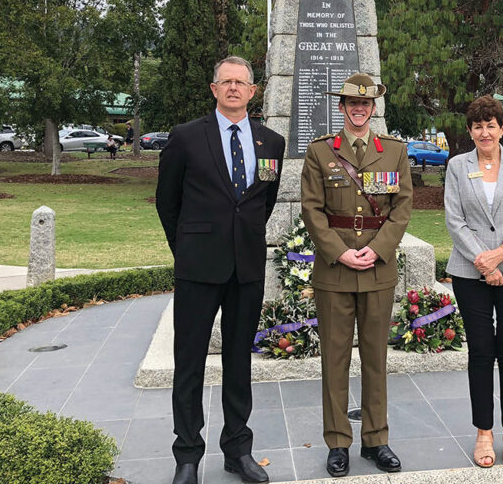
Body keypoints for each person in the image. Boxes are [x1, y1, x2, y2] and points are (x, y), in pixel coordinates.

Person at [156, 56, 285, 484]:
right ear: (214, 89)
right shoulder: (186, 137)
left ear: (253, 91)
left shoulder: (272, 143)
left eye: (241, 83)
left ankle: (237, 448)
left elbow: (261, 205)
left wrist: (239, 241)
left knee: (238, 362)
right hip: (197, 269)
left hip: (245, 268)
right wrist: (188, 248)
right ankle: (188, 455)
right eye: (225, 82)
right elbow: (167, 202)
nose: (233, 88)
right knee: (189, 362)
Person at [300, 73, 412, 477]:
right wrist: (342, 252)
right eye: (352, 103)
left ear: (374, 108)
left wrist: (377, 249)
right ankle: (337, 441)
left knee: (376, 359)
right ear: (343, 107)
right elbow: (312, 210)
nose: (359, 109)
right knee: (334, 359)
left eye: (365, 104)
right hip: (335, 272)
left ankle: (376, 438)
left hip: (378, 269)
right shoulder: (320, 152)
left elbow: (402, 208)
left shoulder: (394, 151)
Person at [443, 95, 503, 468]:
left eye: (491, 125)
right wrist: (483, 263)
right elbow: (455, 221)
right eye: (477, 126)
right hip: (470, 272)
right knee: (481, 352)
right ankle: (484, 434)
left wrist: (501, 253)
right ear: (470, 131)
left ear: (502, 128)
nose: (485, 132)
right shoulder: (456, 167)